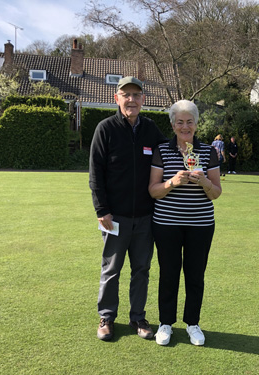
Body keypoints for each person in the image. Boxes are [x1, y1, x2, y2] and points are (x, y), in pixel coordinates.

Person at [89, 76, 166, 341]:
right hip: (114, 216)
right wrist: (102, 209)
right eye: (126, 95)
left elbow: (169, 154)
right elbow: (95, 173)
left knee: (141, 270)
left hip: (146, 217)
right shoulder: (105, 128)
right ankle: (106, 317)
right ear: (117, 98)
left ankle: (138, 318)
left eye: (136, 95)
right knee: (111, 269)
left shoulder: (151, 130)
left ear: (143, 99)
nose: (131, 99)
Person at [148, 100, 222, 346]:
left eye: (189, 121)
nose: (185, 126)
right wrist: (172, 183)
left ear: (196, 124)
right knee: (168, 274)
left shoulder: (208, 151)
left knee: (195, 275)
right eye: (180, 122)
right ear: (172, 124)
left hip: (200, 224)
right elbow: (153, 190)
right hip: (167, 223)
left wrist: (204, 183)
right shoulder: (162, 150)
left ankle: (193, 323)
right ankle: (165, 323)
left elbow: (216, 193)